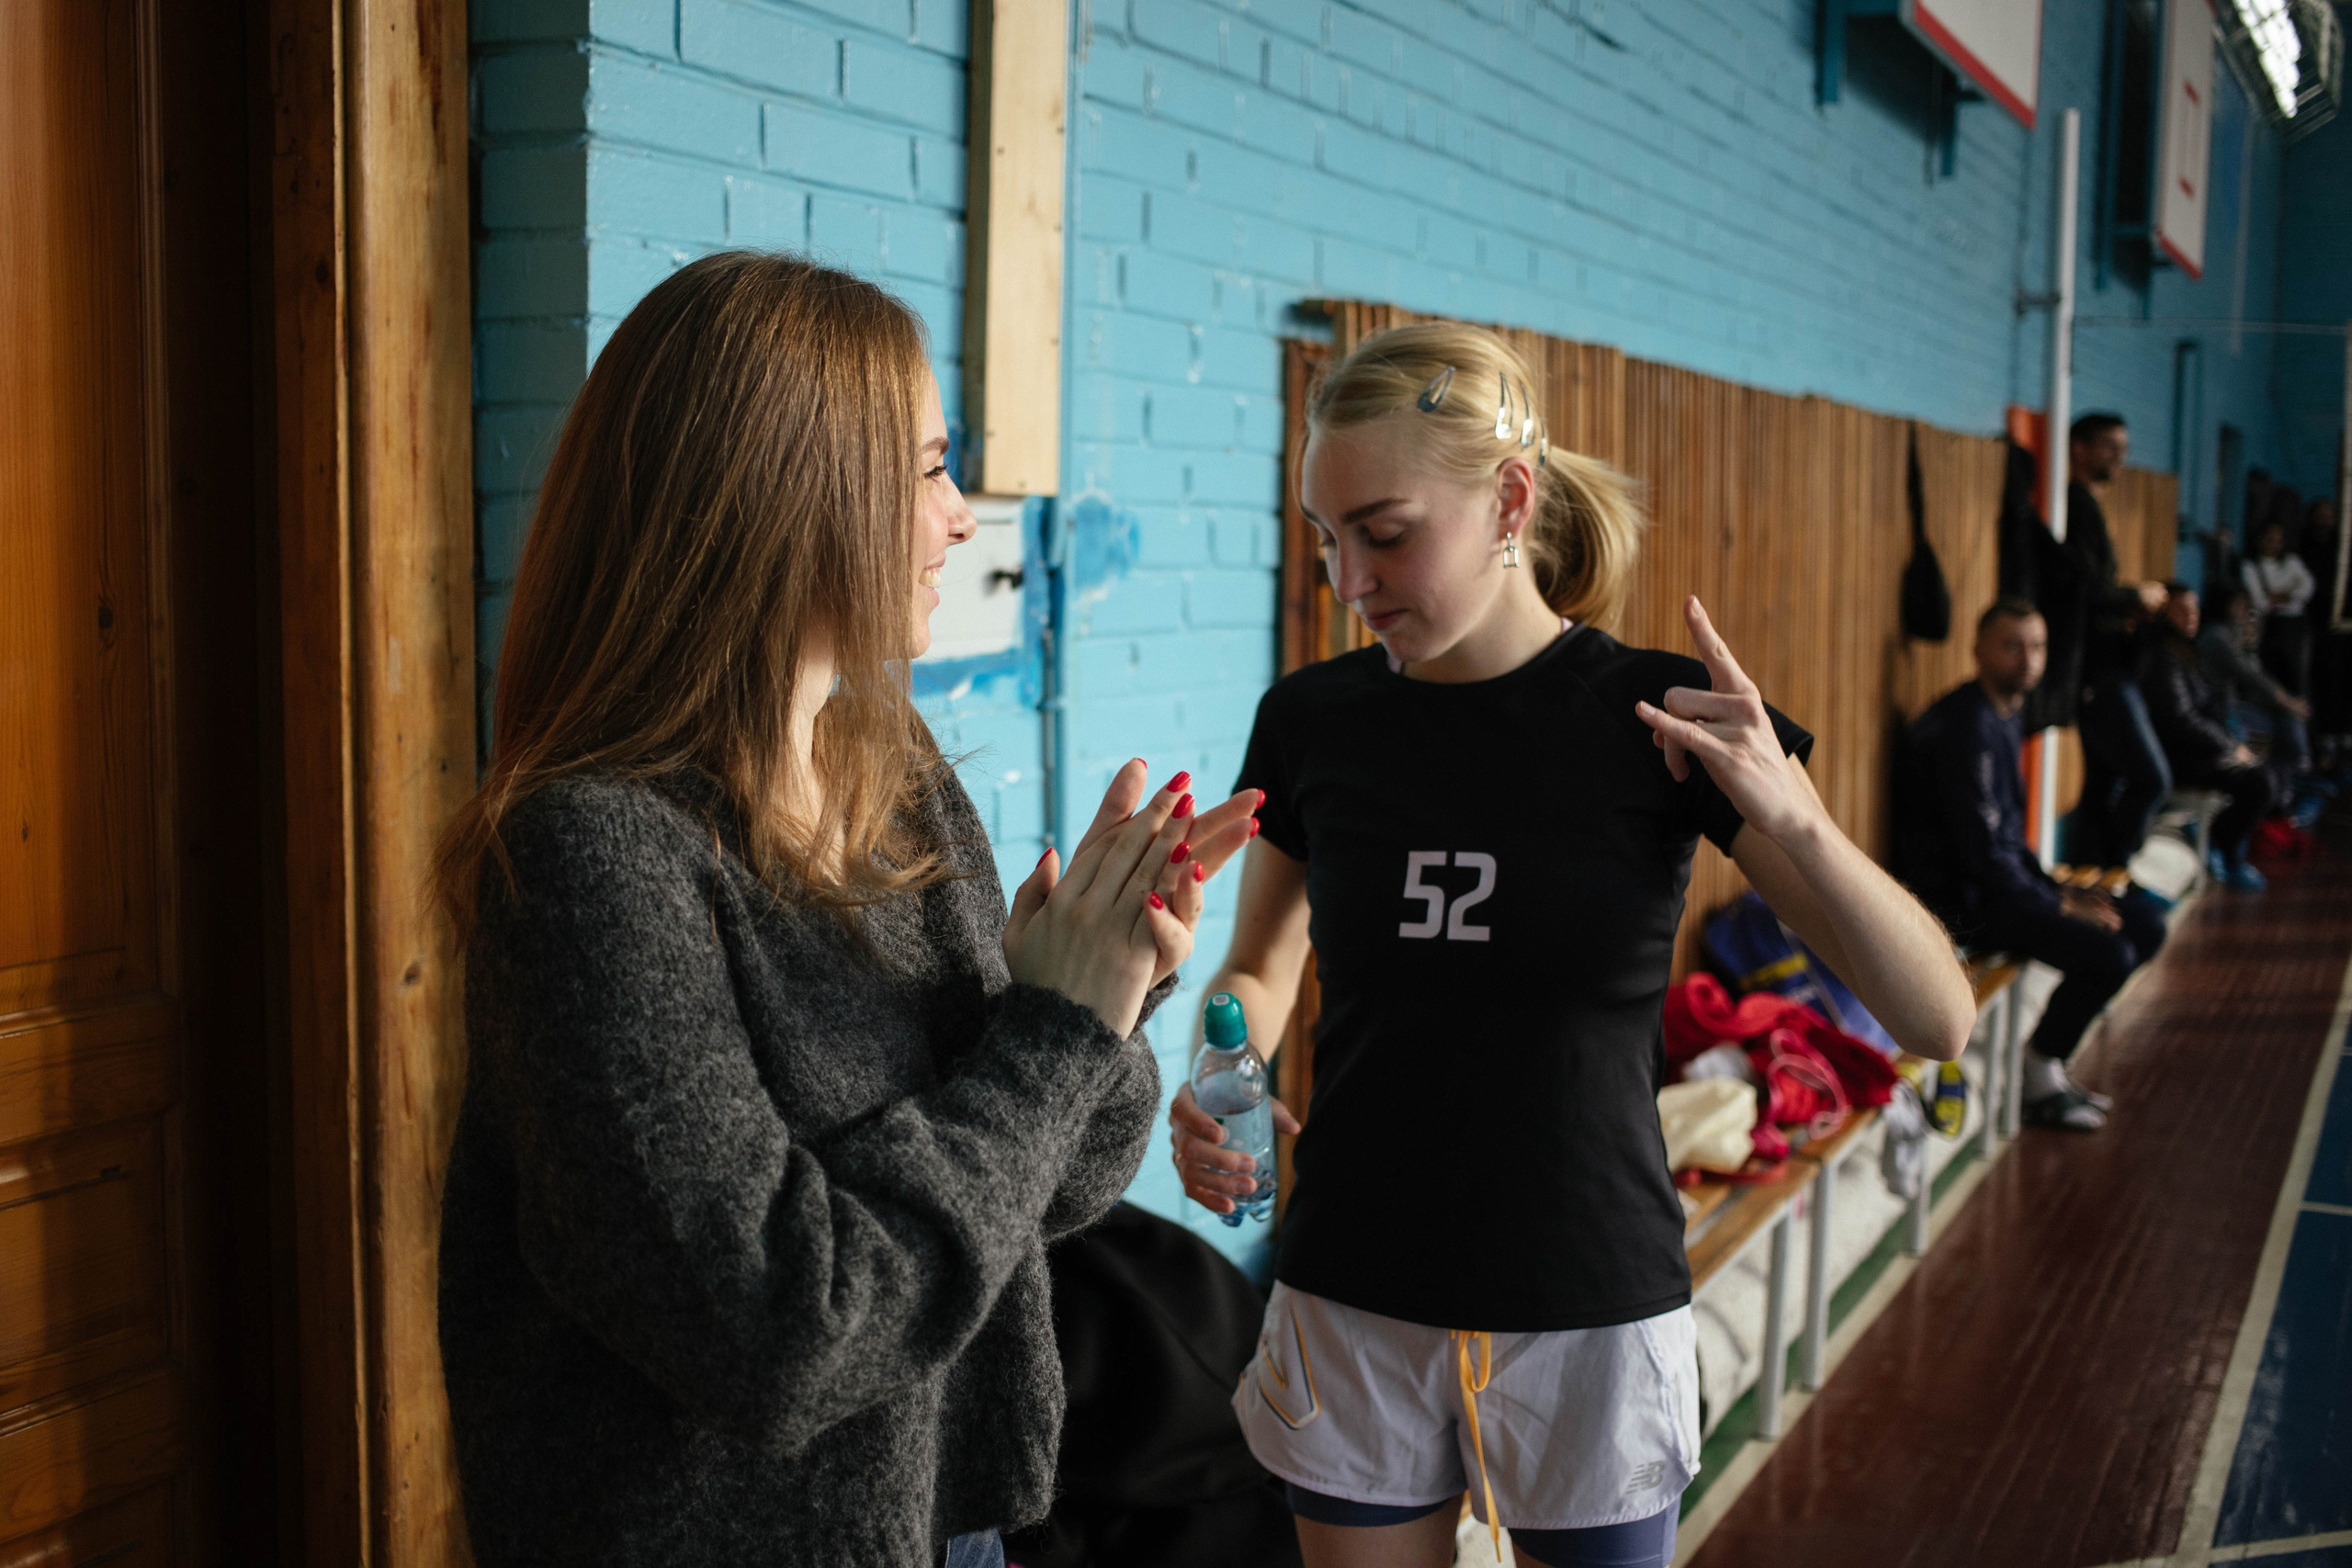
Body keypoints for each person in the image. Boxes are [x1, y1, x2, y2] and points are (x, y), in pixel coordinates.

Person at [431, 253, 1260, 1568]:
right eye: (929, 467)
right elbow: (782, 1329)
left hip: (956, 1514)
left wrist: (1106, 986)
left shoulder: (896, 773)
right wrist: (1049, 1028)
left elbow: (1064, 1182)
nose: (958, 518)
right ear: (783, 488)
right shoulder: (595, 857)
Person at [1160, 323, 1976, 1568]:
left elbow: (1937, 1018)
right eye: (1328, 538)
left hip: (1586, 1298)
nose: (1350, 577)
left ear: (1511, 500)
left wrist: (1793, 814)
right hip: (1354, 1280)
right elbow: (1261, 968)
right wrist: (1227, 1075)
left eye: (1384, 531)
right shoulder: (1313, 719)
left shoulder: (1654, 720)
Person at [1896, 599, 2167, 1133]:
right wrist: (2055, 903)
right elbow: (1980, 858)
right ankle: (2039, 1074)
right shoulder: (1965, 727)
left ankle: (2047, 1062)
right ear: (1977, 651)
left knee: (2145, 924)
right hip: (1959, 904)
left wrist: (2059, 891)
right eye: (2011, 646)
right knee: (2109, 954)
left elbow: (2010, 841)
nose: (2027, 660)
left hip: (2001, 888)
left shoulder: (2000, 715)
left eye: (2038, 647)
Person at [2065, 413, 2176, 868]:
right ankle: (2116, 869)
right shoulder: (2075, 505)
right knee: (2152, 779)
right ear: (2080, 449)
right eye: (2109, 446)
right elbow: (2087, 589)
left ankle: (2099, 877)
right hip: (2099, 672)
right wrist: (2138, 594)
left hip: (2104, 667)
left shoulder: (2086, 505)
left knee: (2102, 782)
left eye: (2123, 448)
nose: (2119, 457)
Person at [2141, 583, 2279, 890]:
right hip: (2182, 757)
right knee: (2261, 784)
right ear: (2165, 615)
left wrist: (2234, 744)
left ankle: (2225, 847)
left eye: (2195, 609)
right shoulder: (2163, 660)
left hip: (2205, 750)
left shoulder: (2188, 654)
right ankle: (2224, 849)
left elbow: (2209, 709)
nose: (2191, 617)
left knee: (2267, 773)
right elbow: (2181, 722)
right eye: (2182, 610)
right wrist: (2230, 747)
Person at [2199, 583, 2312, 806]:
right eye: (2239, 604)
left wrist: (2250, 646)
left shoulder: (2230, 634)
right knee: (2286, 715)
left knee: (2285, 714)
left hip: (2234, 704)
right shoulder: (2216, 636)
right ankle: (2291, 776)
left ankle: (2284, 792)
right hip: (2221, 708)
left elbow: (2255, 675)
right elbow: (2252, 678)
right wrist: (2289, 703)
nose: (2243, 611)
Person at [2245, 519, 2317, 697]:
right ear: (2259, 539)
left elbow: (2308, 587)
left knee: (2297, 676)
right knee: (2271, 677)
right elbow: (2259, 602)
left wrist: (2282, 595)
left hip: (2296, 625)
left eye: (2278, 540)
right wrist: (2290, 589)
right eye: (2269, 539)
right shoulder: (2251, 566)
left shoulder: (2292, 561)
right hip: (2270, 625)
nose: (2274, 544)